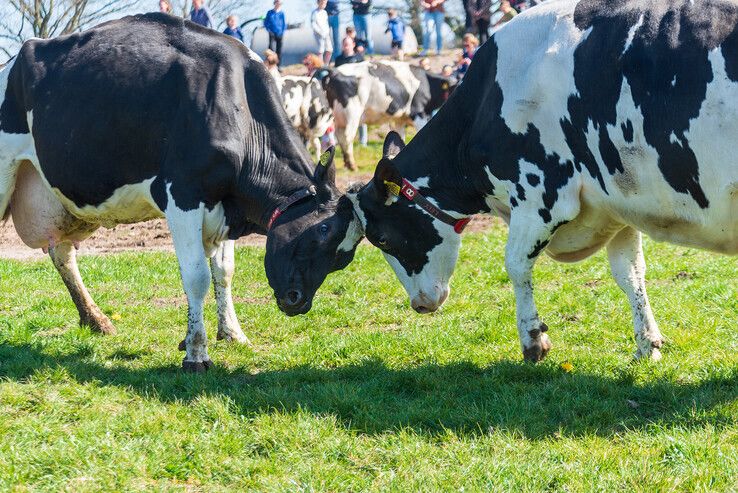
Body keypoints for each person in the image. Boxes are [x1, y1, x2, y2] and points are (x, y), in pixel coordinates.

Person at [311, 0, 333, 65]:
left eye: (325, 3)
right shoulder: (314, 13)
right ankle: (320, 65)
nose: (324, 4)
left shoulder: (325, 12)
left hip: (326, 34)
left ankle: (326, 64)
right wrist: (320, 32)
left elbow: (326, 24)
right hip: (319, 35)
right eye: (322, 3)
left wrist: (327, 32)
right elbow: (313, 25)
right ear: (318, 3)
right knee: (320, 51)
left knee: (329, 49)